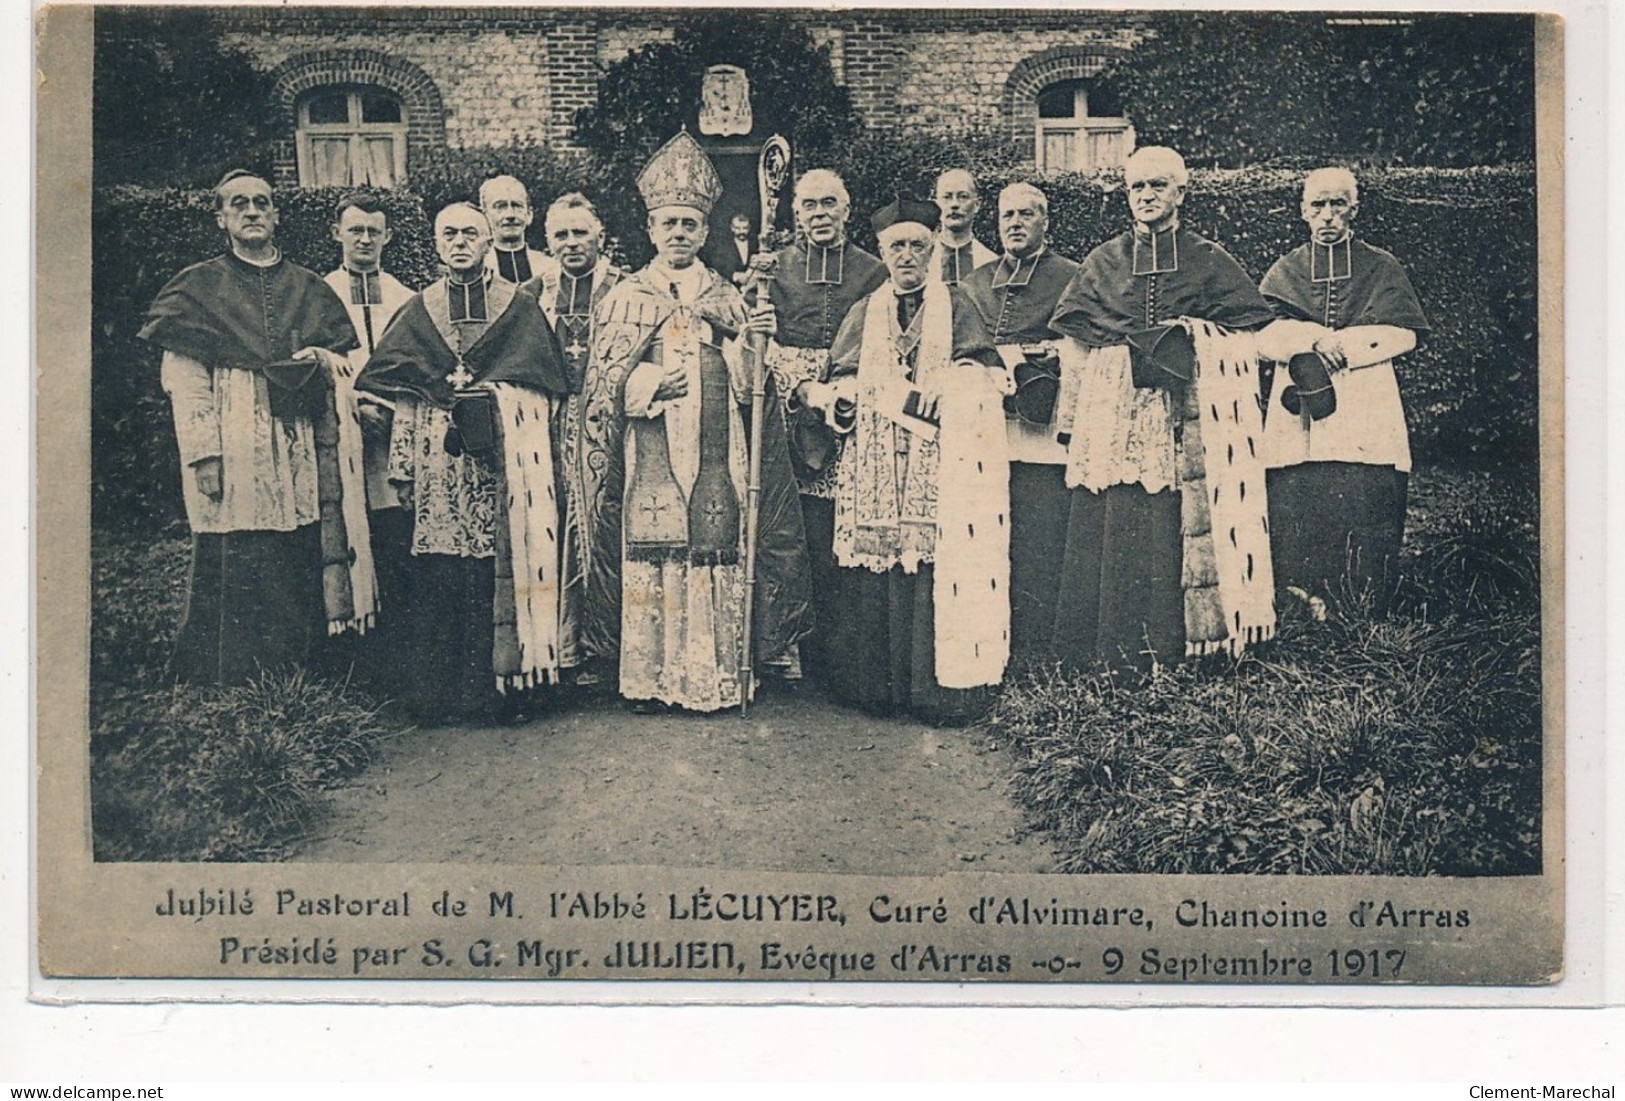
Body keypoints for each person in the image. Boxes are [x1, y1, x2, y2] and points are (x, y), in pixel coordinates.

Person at [1047, 146, 1306, 670]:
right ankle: (1111, 647)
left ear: (1181, 193)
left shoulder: (1208, 257)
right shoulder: (1104, 260)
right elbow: (1076, 334)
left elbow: (1248, 328)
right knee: (1117, 514)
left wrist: (1194, 336)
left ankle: (1177, 643)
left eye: (1157, 186)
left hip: (1187, 413)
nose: (1145, 197)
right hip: (1117, 410)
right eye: (1137, 188)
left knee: (1173, 520)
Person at [589, 131, 811, 712]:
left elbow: (750, 389)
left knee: (717, 548)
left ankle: (713, 675)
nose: (680, 234)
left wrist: (752, 342)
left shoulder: (730, 295)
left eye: (690, 224)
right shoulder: (625, 298)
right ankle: (651, 679)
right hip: (652, 443)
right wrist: (647, 384)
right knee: (656, 556)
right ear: (651, 230)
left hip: (719, 448)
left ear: (705, 232)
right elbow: (607, 382)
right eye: (669, 224)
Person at [139, 170, 361, 685]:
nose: (253, 211)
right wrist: (204, 454)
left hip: (298, 436)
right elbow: (184, 379)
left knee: (301, 541)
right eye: (239, 204)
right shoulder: (198, 287)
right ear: (222, 218)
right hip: (232, 430)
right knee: (236, 545)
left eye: (262, 202)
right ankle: (233, 673)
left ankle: (302, 667)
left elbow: (343, 360)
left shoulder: (308, 286)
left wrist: (319, 358)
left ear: (277, 215)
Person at [356, 202, 573, 722]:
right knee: (441, 572)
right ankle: (442, 695)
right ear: (435, 245)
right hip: (436, 463)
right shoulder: (420, 307)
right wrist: (403, 468)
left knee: (494, 569)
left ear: (488, 241)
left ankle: (500, 693)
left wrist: (495, 400)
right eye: (448, 234)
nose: (459, 242)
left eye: (470, 234)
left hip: (501, 461)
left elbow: (543, 387)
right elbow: (403, 388)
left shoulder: (517, 307)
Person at [822, 196, 1009, 722]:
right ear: (882, 252)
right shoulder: (865, 310)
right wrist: (841, 395)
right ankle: (875, 688)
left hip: (937, 454)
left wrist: (954, 382)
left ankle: (931, 691)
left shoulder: (960, 304)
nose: (906, 256)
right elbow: (838, 376)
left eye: (917, 246)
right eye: (896, 246)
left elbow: (986, 371)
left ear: (933, 252)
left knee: (932, 561)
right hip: (876, 454)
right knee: (878, 560)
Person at [1259, 166, 1431, 614]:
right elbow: (1259, 336)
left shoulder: (1381, 266)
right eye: (1318, 205)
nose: (1328, 215)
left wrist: (1346, 347)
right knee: (1300, 497)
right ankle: (1301, 601)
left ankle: (1360, 605)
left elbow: (1406, 333)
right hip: (1298, 413)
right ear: (1303, 211)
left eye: (1338, 204)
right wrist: (1310, 339)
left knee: (1362, 495)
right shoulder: (1285, 270)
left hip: (1364, 401)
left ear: (1354, 209)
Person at [752, 168, 888, 687]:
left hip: (854, 405)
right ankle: (789, 646)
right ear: (795, 214)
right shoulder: (775, 269)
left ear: (848, 210)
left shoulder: (873, 271)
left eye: (830, 203)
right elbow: (759, 345)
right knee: (794, 528)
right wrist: (801, 385)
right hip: (788, 407)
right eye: (809, 205)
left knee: (842, 527)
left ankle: (842, 653)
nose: (820, 214)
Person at [959, 182, 1081, 663]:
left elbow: (1081, 344)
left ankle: (1038, 647)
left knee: (1040, 534)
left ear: (1045, 222)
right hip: (987, 428)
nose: (1014, 223)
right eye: (1007, 215)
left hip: (1043, 431)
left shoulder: (1073, 277)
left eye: (1026, 214)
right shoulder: (974, 282)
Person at [520, 192, 626, 678]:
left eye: (580, 232)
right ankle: (563, 647)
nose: (571, 243)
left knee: (608, 526)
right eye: (560, 235)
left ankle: (611, 648)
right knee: (552, 527)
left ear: (600, 236)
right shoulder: (531, 293)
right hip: (549, 424)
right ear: (547, 241)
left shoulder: (626, 290)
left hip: (613, 427)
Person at [322, 194, 415, 685]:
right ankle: (352, 665)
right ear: (337, 233)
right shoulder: (320, 293)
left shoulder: (404, 297)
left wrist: (389, 408)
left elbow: (416, 365)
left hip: (392, 436)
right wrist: (351, 403)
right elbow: (314, 362)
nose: (363, 240)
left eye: (372, 232)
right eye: (354, 230)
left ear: (388, 237)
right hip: (342, 437)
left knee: (392, 540)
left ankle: (394, 663)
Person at [930, 169, 996, 287]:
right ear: (936, 205)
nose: (954, 204)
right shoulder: (924, 259)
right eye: (947, 197)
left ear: (977, 205)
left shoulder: (990, 263)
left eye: (963, 197)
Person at [479, 175, 548, 285]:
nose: (510, 215)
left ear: (529, 214)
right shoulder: (477, 269)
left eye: (517, 206)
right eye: (500, 206)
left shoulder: (549, 267)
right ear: (485, 215)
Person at [708, 212, 758, 288]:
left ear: (749, 228)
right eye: (738, 228)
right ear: (732, 228)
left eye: (745, 228)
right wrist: (734, 276)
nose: (741, 231)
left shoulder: (756, 244)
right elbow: (717, 267)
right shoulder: (723, 246)